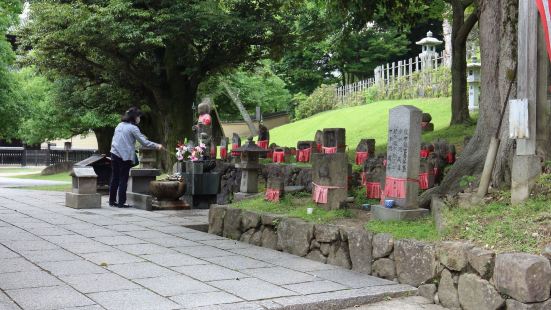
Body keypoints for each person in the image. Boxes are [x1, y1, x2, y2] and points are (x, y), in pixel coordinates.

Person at [109, 107, 163, 208]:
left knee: (115, 178)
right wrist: (157, 145)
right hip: (124, 156)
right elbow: (144, 142)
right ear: (134, 117)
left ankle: (112, 201)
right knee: (123, 179)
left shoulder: (119, 125)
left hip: (114, 153)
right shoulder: (133, 128)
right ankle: (121, 202)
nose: (139, 119)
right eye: (138, 117)